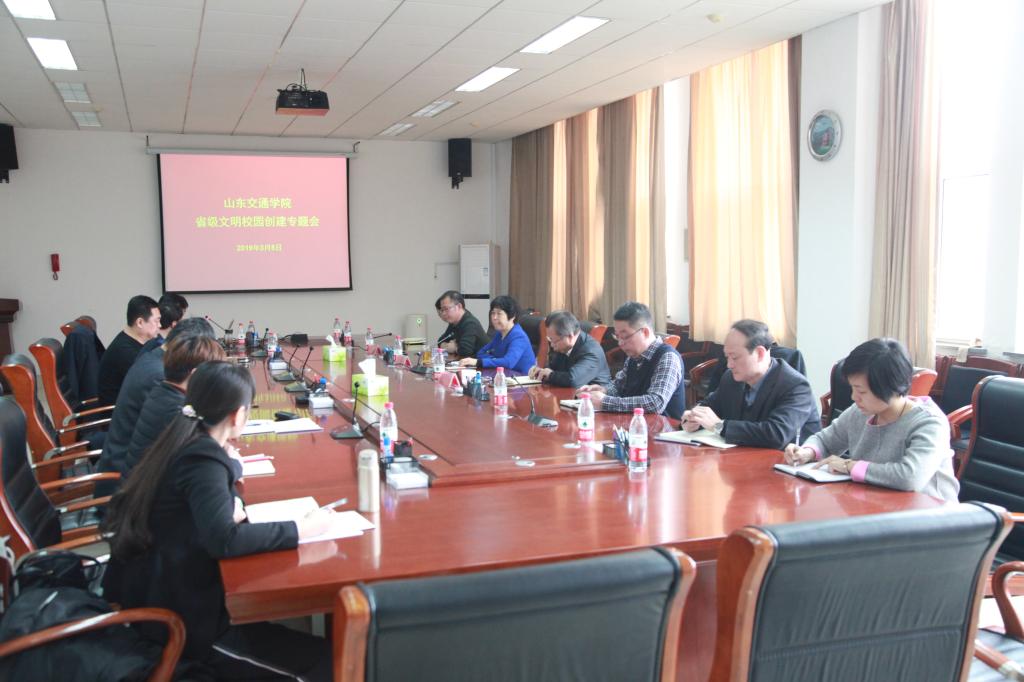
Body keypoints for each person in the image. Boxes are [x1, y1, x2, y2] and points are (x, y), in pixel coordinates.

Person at [101, 361, 334, 680]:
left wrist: (231, 491)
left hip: (158, 594)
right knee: (326, 662)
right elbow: (224, 540)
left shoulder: (186, 438)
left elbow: (220, 490)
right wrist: (301, 529)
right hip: (184, 628)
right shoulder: (202, 460)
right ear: (238, 416)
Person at [783, 338, 959, 502]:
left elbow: (910, 477)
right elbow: (825, 440)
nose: (854, 397)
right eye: (852, 389)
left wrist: (849, 466)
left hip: (931, 514)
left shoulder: (929, 423)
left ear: (891, 387)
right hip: (878, 506)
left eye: (861, 391)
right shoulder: (860, 412)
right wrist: (807, 452)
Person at [95, 317, 217, 496]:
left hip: (137, 464)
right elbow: (187, 433)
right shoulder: (160, 376)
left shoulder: (155, 356)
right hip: (127, 482)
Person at [680, 319, 820, 449]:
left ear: (760, 353)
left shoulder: (795, 386)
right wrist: (693, 418)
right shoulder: (730, 378)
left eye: (735, 357)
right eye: (727, 357)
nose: (729, 365)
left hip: (786, 463)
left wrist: (719, 426)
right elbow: (710, 406)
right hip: (742, 458)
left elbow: (776, 434)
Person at [576, 302, 685, 419]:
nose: (620, 343)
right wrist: (604, 390)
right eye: (617, 336)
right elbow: (618, 387)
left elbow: (655, 403)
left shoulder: (668, 357)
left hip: (664, 427)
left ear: (645, 332)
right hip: (634, 424)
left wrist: (604, 402)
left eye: (625, 336)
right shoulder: (633, 356)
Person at [96, 295, 161, 405]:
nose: (160, 325)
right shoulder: (124, 352)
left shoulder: (137, 342)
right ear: (140, 323)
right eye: (156, 321)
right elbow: (150, 384)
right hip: (118, 412)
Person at [528, 311, 611, 389]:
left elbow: (573, 380)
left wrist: (550, 375)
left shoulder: (591, 351)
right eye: (550, 339)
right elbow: (554, 369)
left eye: (554, 341)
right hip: (567, 394)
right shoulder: (564, 347)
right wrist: (541, 372)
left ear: (570, 336)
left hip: (591, 396)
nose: (552, 345)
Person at [458, 295, 536, 375]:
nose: (494, 317)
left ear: (512, 316)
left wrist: (479, 362)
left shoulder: (519, 336)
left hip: (521, 379)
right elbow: (481, 353)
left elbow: (508, 362)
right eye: (493, 313)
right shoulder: (500, 333)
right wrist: (496, 360)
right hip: (504, 375)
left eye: (499, 313)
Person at [435, 290, 490, 357]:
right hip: (466, 361)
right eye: (442, 310)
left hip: (483, 361)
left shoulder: (470, 323)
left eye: (446, 309)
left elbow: (465, 351)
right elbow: (440, 341)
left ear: (459, 306)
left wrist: (454, 348)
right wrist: (448, 347)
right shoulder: (454, 322)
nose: (443, 313)